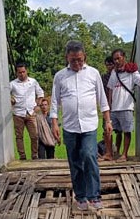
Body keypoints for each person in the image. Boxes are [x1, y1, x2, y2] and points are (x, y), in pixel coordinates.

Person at [50, 40, 111, 210]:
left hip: (89, 124)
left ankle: (94, 195)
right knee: (75, 162)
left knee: (90, 156)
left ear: (84, 56)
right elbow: (54, 102)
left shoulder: (93, 73)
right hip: (69, 126)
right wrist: (54, 124)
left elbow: (102, 99)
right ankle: (81, 196)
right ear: (67, 58)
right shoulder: (60, 76)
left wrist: (107, 120)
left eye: (79, 59)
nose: (77, 63)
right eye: (73, 60)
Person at [107, 49, 140, 162]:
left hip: (126, 107)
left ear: (123, 57)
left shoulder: (131, 71)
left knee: (127, 131)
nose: (116, 61)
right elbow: (110, 88)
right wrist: (109, 105)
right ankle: (117, 153)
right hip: (115, 108)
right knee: (117, 131)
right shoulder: (114, 72)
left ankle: (124, 155)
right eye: (114, 59)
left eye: (118, 58)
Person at [9, 62, 44, 160]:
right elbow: (4, 94)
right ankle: (22, 156)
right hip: (18, 113)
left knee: (34, 135)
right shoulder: (12, 84)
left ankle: (34, 155)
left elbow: (40, 93)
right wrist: (11, 99)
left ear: (26, 71)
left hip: (30, 112)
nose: (22, 74)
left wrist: (38, 104)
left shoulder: (33, 82)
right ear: (17, 73)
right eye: (19, 72)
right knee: (19, 136)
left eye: (23, 72)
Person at [100, 56, 114, 161]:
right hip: (106, 107)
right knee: (106, 130)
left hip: (116, 105)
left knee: (118, 130)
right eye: (107, 64)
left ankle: (115, 150)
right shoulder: (103, 77)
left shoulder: (118, 75)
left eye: (111, 64)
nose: (109, 66)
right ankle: (108, 151)